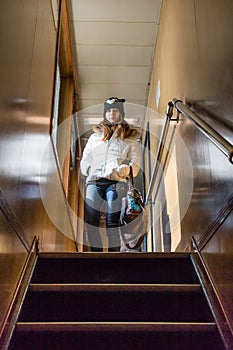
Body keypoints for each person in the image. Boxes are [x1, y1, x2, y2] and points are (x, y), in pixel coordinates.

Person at [80, 97, 140, 252]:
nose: (112, 113)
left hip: (116, 182)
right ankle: (96, 256)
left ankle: (114, 257)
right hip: (94, 181)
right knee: (91, 219)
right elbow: (86, 158)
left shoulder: (129, 137)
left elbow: (136, 163)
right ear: (104, 114)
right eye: (109, 110)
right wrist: (87, 169)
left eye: (115, 110)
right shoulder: (95, 137)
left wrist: (123, 170)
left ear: (121, 113)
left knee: (112, 221)